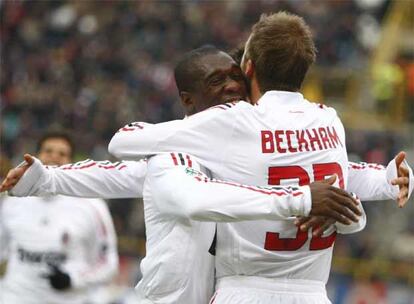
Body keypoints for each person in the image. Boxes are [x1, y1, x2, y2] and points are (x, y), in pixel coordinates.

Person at [1, 48, 411, 304]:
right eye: (218, 81)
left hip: (225, 294)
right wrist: (46, 180)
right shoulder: (171, 155)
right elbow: (123, 174)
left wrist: (383, 179)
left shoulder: (243, 144)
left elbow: (326, 172)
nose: (233, 86)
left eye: (236, 75)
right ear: (187, 99)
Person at [107, 12, 413, 304]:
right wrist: (388, 180)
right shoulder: (329, 120)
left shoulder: (235, 120)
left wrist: (191, 131)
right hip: (313, 293)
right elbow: (341, 176)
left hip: (244, 289)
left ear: (248, 68)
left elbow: (123, 144)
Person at [0, 131, 118, 304]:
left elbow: (108, 263)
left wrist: (73, 279)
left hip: (68, 299)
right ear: (35, 157)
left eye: (62, 154)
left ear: (71, 162)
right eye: (48, 151)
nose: (54, 157)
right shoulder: (12, 200)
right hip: (16, 297)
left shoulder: (92, 205)